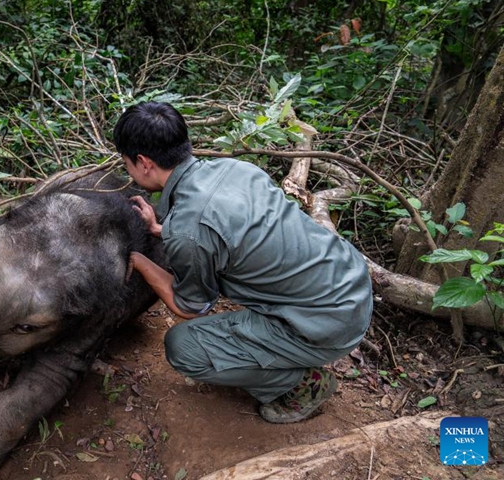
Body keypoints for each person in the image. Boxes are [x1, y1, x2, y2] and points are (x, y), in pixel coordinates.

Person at [114, 101, 373, 423]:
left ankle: (302, 385)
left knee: (184, 348)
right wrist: (161, 230)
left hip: (326, 326)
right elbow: (226, 229)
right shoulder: (236, 169)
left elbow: (191, 307)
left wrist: (139, 261)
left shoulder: (189, 231)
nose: (129, 171)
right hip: (351, 286)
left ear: (143, 162)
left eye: (126, 164)